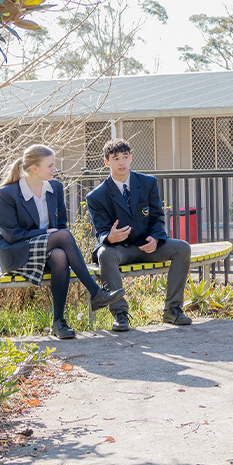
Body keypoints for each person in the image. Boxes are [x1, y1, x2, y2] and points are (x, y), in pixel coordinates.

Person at [0, 145, 122, 340]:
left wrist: (51, 235)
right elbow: (11, 235)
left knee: (60, 255)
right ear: (34, 168)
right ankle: (95, 293)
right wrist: (45, 233)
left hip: (47, 250)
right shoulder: (6, 194)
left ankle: (59, 322)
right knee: (62, 236)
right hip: (17, 253)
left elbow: (60, 223)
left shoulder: (55, 187)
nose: (55, 169)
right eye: (50, 165)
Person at [86, 138, 194, 331]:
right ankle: (120, 314)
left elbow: (157, 217)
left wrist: (156, 238)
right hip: (120, 249)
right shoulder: (96, 196)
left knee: (182, 247)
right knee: (105, 254)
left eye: (125, 157)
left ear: (131, 158)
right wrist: (110, 238)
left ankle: (173, 310)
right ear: (106, 162)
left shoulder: (147, 183)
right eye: (115, 158)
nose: (121, 162)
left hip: (147, 245)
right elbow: (101, 231)